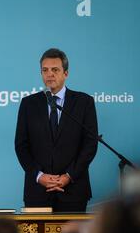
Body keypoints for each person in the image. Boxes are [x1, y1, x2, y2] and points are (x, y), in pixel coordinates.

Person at [15, 48, 98, 213]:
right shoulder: (28, 104)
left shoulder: (84, 102)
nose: (49, 74)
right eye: (45, 70)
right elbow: (21, 146)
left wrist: (68, 176)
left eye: (55, 70)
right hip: (38, 192)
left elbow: (90, 145)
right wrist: (40, 176)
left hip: (73, 191)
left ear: (65, 73)